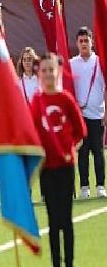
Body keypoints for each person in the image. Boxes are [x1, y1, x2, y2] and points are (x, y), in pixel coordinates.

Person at [31, 53, 87, 267]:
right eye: (43, 70)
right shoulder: (36, 101)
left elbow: (80, 133)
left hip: (65, 167)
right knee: (53, 220)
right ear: (39, 74)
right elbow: (30, 133)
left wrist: (69, 149)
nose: (47, 74)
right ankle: (56, 263)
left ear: (58, 72)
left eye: (50, 70)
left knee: (66, 219)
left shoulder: (66, 99)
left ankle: (69, 262)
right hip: (46, 169)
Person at [69, 27, 106, 199]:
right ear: (77, 43)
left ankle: (100, 185)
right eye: (81, 41)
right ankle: (84, 186)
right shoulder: (71, 63)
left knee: (98, 151)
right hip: (79, 116)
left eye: (87, 40)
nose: (84, 44)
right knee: (82, 152)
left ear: (92, 41)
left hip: (97, 114)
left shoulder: (100, 62)